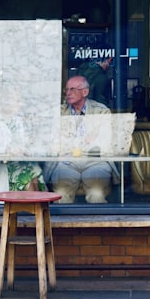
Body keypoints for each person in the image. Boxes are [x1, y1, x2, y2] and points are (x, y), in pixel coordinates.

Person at [44, 75, 117, 203]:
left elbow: (105, 142)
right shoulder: (59, 112)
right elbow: (53, 140)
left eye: (72, 89)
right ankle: (62, 223)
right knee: (60, 195)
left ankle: (99, 223)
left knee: (96, 193)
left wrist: (76, 141)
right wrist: (89, 138)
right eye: (66, 90)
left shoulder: (101, 111)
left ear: (85, 92)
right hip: (67, 160)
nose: (68, 93)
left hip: (95, 160)